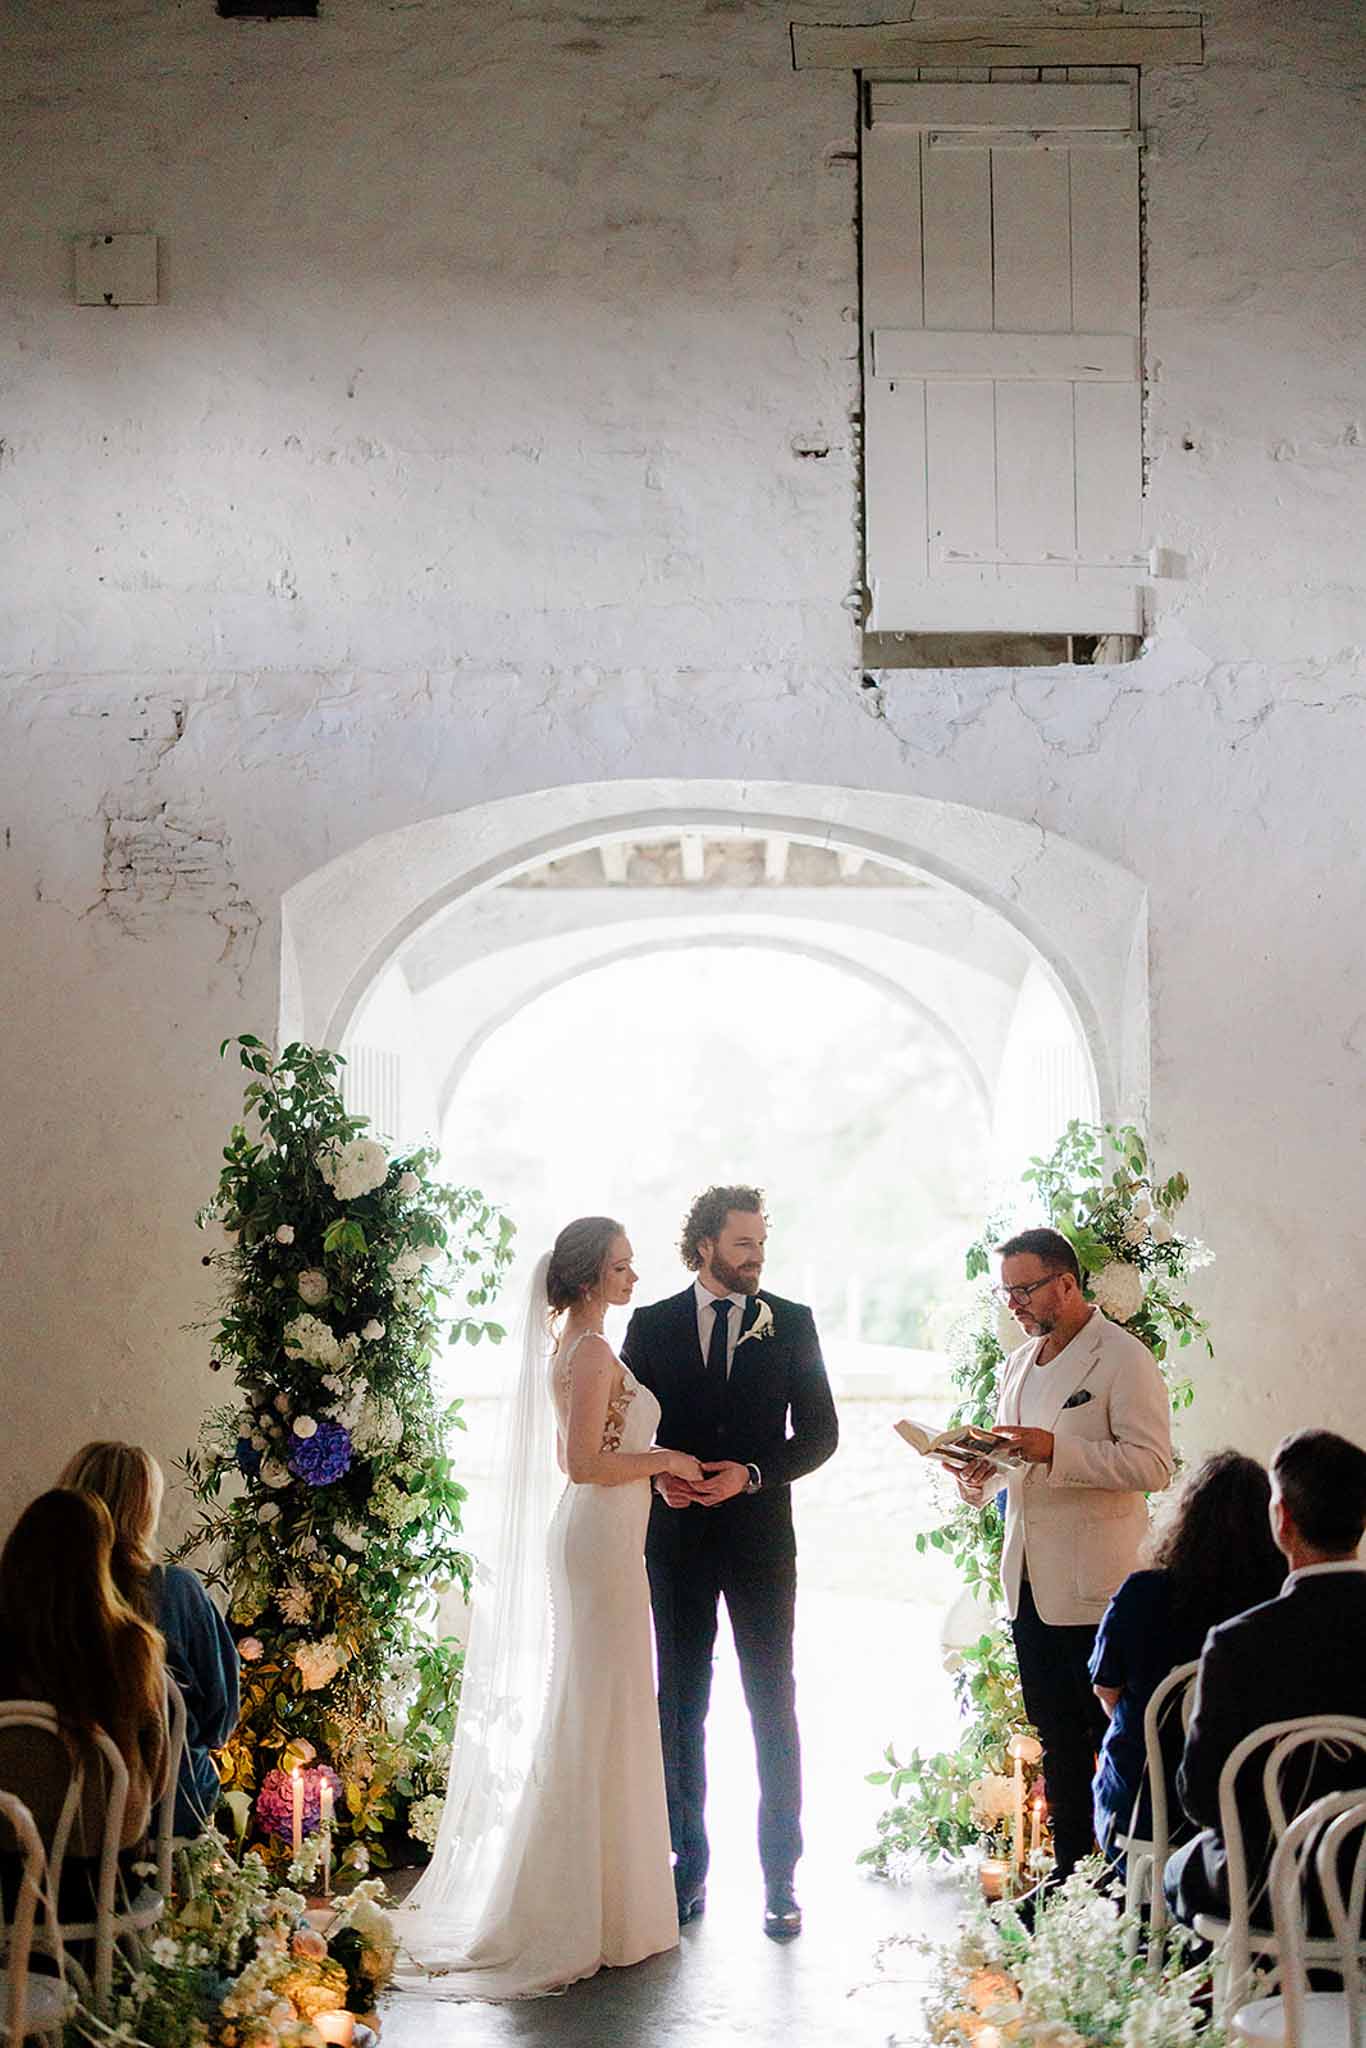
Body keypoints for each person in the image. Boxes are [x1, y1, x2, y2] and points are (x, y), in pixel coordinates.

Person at [400, 1217, 704, 1999]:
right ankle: (578, 1910)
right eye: (622, 1267)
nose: (634, 1278)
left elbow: (598, 1455)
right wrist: (666, 1458)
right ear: (588, 1278)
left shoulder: (580, 1348)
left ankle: (609, 1907)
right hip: (599, 1539)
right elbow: (582, 1461)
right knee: (597, 1704)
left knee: (603, 1703)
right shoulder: (594, 1349)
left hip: (607, 1532)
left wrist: (650, 1475)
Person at [621, 1185, 839, 1940]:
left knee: (771, 1704)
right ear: (706, 1245)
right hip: (674, 1543)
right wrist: (658, 1477)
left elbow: (819, 1434)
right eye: (743, 1243)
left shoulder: (793, 1323)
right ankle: (687, 1868)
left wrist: (751, 1474)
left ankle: (781, 1877)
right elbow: (621, 1431)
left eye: (761, 1243)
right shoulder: (648, 1326)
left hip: (760, 1545)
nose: (757, 1257)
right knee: (680, 1705)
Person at [956, 1226, 1172, 1886]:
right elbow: (1009, 1466)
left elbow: (1154, 1466)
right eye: (1006, 1292)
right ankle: (1073, 1879)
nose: (1013, 1305)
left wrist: (1058, 1450)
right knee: (1055, 1740)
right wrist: (976, 1476)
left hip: (1094, 1585)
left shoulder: (1122, 1358)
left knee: (1105, 1742)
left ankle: (1122, 1887)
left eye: (1023, 1290)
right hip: (1028, 1582)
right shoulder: (1019, 1364)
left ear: (1066, 1285)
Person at [1164, 1427, 1366, 1930]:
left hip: (1268, 1892)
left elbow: (1202, 1798)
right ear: (1362, 1521)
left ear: (1281, 1520)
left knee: (1177, 1868)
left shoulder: (1238, 1643)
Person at [1089, 1451, 1286, 1866]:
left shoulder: (1140, 1594)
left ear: (1185, 1520)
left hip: (1143, 1814)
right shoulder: (1277, 1610)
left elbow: (1107, 1691)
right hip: (1252, 1815)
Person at [57, 1441, 239, 1837]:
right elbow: (220, 1721)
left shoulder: (34, 1600)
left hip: (46, 1813)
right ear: (144, 1511)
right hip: (158, 1813)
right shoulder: (177, 1591)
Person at [0, 1488, 169, 1911]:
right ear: (102, 1558)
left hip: (2, 1879)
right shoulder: (133, 1645)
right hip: (99, 1879)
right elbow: (158, 1776)